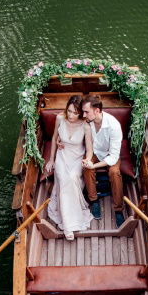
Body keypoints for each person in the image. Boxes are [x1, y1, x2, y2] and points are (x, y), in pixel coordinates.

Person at [43, 95, 94, 240]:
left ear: (81, 113)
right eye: (69, 111)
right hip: (62, 155)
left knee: (72, 178)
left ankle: (72, 217)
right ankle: (68, 225)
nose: (71, 115)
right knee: (64, 178)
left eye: (75, 113)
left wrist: (87, 160)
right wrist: (51, 160)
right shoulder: (60, 118)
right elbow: (54, 138)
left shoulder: (85, 126)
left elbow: (89, 149)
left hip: (77, 158)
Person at [81, 95, 125, 226]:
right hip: (94, 152)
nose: (84, 115)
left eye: (86, 112)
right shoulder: (88, 122)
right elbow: (89, 147)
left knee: (114, 173)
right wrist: (89, 161)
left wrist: (94, 166)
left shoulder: (114, 126)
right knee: (86, 169)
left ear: (97, 111)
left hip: (110, 154)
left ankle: (118, 209)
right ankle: (94, 201)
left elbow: (113, 157)